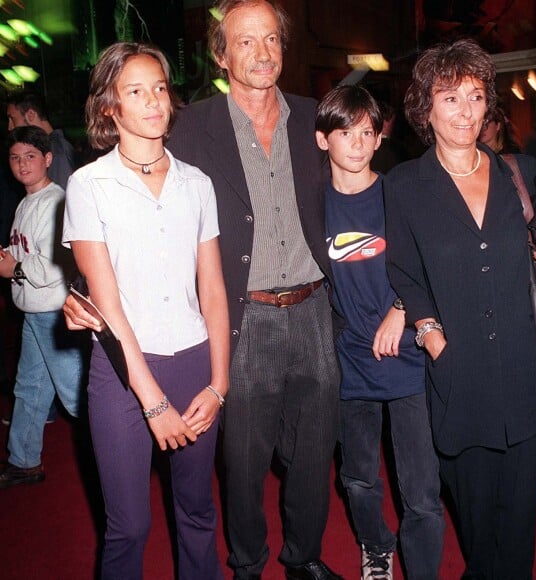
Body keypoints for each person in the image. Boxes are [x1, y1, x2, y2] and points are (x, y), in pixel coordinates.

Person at [63, 2, 342, 579]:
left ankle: (304, 558)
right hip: (244, 312)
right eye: (246, 41)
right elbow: (111, 234)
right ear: (220, 55)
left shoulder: (319, 119)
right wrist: (75, 291)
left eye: (272, 39)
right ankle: (246, 564)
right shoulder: (188, 126)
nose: (262, 52)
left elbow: (366, 194)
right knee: (240, 462)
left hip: (312, 307)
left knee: (314, 453)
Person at [383, 38, 536, 579]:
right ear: (426, 109)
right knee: (479, 530)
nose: (465, 111)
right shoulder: (405, 187)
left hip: (531, 377)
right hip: (461, 384)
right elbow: (404, 273)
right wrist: (431, 333)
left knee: (520, 528)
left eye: (475, 96)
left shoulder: (520, 173)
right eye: (450, 98)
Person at [62, 42, 230, 579]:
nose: (155, 101)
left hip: (194, 362)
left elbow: (214, 291)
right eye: (136, 91)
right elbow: (105, 306)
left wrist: (219, 383)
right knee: (129, 526)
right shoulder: (88, 185)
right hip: (121, 371)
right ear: (110, 107)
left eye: (159, 87)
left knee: (198, 509)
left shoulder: (197, 183)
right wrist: (153, 402)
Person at [315, 84, 444, 580]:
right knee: (358, 479)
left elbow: (436, 264)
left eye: (367, 132)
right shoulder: (313, 205)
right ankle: (375, 546)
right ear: (323, 140)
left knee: (421, 490)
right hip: (348, 361)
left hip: (409, 358)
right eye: (345, 132)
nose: (358, 142)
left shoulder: (400, 194)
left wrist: (400, 307)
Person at [0, 126, 85, 488]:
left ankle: (124, 453)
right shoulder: (26, 201)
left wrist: (13, 268)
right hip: (33, 313)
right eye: (16, 157)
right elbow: (26, 252)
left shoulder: (54, 202)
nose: (22, 164)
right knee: (30, 389)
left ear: (48, 159)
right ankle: (24, 462)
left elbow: (53, 266)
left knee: (76, 396)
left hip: (53, 313)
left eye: (30, 156)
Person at [6, 91, 76, 189]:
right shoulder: (54, 146)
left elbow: (62, 195)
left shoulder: (57, 151)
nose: (10, 127)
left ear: (30, 115)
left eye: (12, 119)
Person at [370, 101, 407, 174]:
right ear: (386, 123)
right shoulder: (393, 149)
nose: (393, 127)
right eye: (393, 123)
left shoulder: (367, 146)